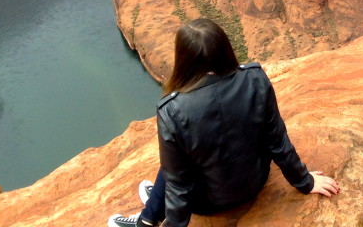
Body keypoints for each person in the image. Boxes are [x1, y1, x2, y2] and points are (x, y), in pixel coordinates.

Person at [108, 18, 339, 227]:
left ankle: (147, 219)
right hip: (255, 183)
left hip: (207, 202)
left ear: (184, 58)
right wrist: (305, 182)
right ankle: (152, 210)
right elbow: (277, 141)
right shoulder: (255, 78)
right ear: (225, 48)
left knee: (174, 163)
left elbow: (179, 186)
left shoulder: (172, 111)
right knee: (177, 160)